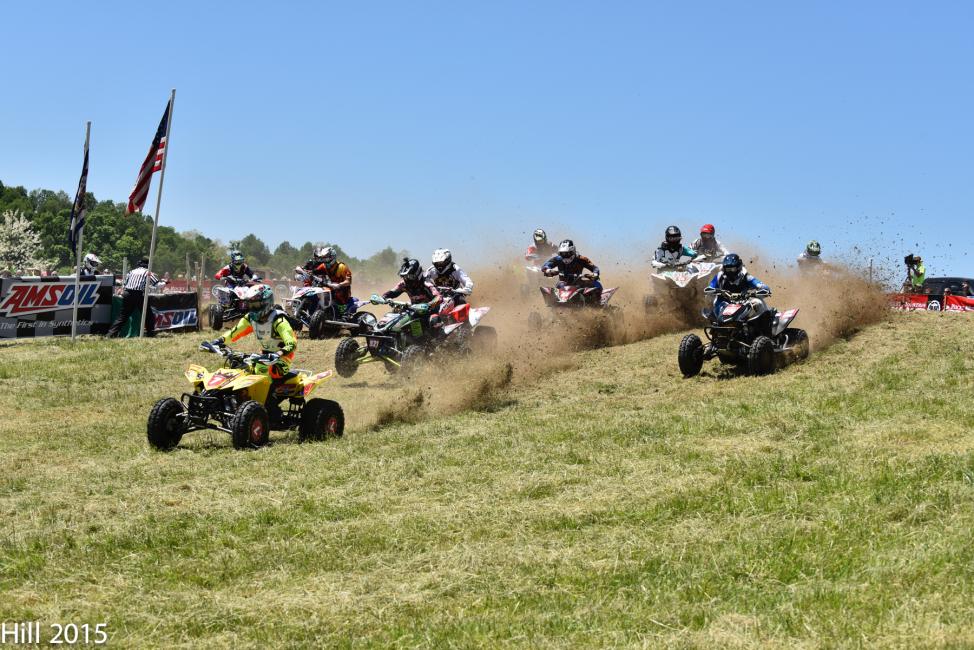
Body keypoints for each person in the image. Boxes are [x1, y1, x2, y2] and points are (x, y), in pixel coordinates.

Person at [208, 284, 297, 422]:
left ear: (266, 303)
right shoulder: (250, 318)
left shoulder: (278, 320)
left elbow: (291, 344)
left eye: (255, 305)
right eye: (250, 305)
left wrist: (278, 354)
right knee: (237, 365)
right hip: (264, 355)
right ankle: (234, 404)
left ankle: (266, 409)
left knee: (262, 368)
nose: (252, 308)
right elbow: (234, 333)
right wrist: (219, 340)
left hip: (282, 359)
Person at [107, 257, 166, 337]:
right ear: (147, 265)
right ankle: (150, 334)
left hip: (127, 293)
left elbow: (124, 284)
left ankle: (111, 334)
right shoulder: (147, 272)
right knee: (148, 315)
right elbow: (158, 285)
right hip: (138, 294)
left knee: (123, 316)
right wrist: (165, 282)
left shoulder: (131, 272)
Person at [708, 253, 770, 319]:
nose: (730, 272)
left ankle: (767, 321)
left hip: (743, 303)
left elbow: (763, 287)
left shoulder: (747, 277)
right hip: (723, 303)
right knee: (712, 312)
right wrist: (719, 291)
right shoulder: (719, 276)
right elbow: (709, 288)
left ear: (738, 267)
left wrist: (755, 293)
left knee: (758, 302)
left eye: (732, 269)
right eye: (728, 269)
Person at [424, 249, 474, 314]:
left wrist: (467, 288)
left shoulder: (455, 269)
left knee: (460, 300)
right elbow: (424, 280)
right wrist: (431, 287)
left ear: (448, 260)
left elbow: (467, 280)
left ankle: (467, 320)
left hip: (455, 294)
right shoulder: (431, 270)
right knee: (427, 306)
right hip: (438, 296)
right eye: (437, 264)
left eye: (441, 263)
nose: (439, 266)